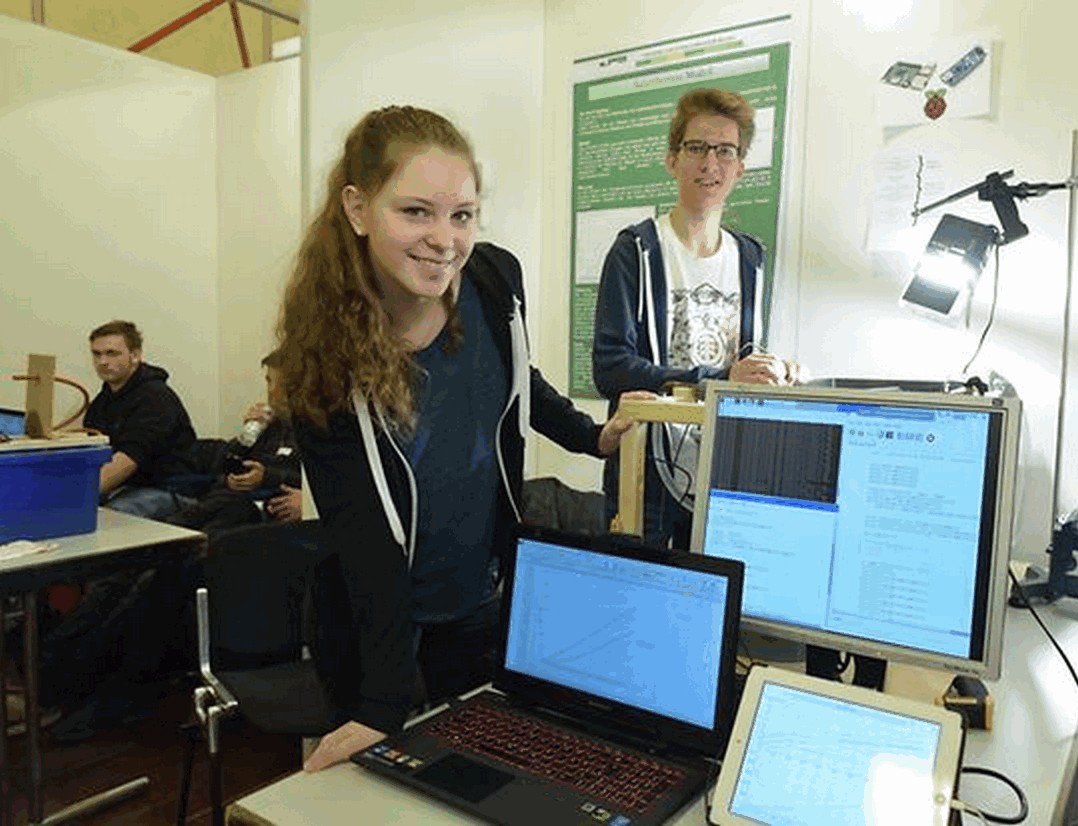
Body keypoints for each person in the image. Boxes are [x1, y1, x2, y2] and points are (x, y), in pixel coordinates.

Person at [276, 105, 647, 771]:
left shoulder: (494, 280)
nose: (444, 240)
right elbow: (365, 540)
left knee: (478, 779)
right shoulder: (321, 359)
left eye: (462, 215)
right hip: (372, 628)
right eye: (415, 212)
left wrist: (591, 437)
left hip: (479, 600)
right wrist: (380, 706)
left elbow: (517, 376)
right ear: (358, 208)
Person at [592, 88, 800, 550]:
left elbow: (744, 359)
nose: (711, 163)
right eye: (697, 148)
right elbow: (610, 369)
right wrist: (715, 379)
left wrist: (771, 373)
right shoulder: (637, 251)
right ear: (672, 160)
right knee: (639, 586)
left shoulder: (750, 258)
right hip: (644, 467)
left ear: (740, 167)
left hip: (722, 466)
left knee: (714, 587)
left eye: (725, 151)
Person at [166, 350, 302, 536]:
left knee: (223, 520)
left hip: (266, 505)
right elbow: (222, 463)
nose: (270, 390)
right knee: (195, 520)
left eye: (272, 381)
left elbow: (306, 478)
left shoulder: (313, 428)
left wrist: (265, 477)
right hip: (234, 497)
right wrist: (246, 437)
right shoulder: (272, 425)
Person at [84, 320, 198, 520]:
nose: (102, 361)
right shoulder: (103, 401)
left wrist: (77, 494)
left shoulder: (155, 397)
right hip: (128, 487)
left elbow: (129, 458)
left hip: (169, 489)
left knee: (107, 519)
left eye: (112, 353)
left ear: (135, 356)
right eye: (97, 354)